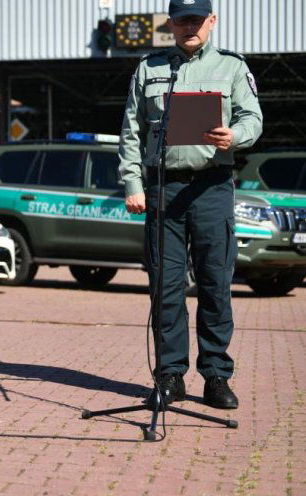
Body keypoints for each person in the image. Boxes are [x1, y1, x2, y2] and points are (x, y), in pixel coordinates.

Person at [119, 0, 262, 409]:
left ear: (211, 22)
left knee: (215, 284)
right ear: (171, 24)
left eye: (197, 20)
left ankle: (216, 375)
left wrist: (233, 135)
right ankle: (169, 376)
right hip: (164, 188)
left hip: (212, 188)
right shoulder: (149, 68)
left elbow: (253, 117)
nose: (189, 27)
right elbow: (130, 129)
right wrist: (133, 183)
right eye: (182, 20)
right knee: (165, 288)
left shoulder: (233, 67)